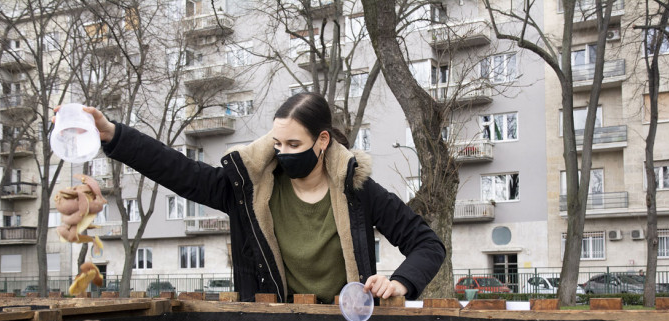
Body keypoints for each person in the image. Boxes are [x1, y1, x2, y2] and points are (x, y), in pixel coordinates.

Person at [78, 92, 445, 303]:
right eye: (278, 144)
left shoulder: (358, 191)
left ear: (322, 141)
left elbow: (427, 244)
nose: (284, 153)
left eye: (294, 144)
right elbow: (181, 172)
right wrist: (114, 136)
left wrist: (399, 282)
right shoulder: (248, 190)